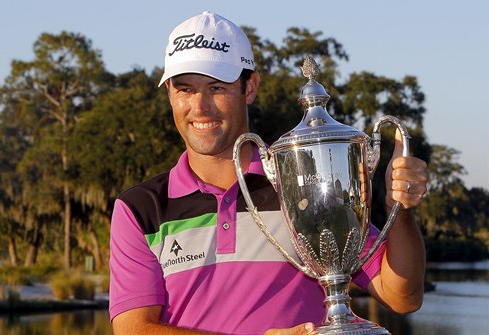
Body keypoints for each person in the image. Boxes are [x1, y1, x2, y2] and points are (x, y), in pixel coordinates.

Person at [109, 11, 428, 335]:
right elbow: (133, 329)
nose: (200, 106)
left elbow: (403, 296)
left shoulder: (305, 182)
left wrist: (399, 210)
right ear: (170, 95)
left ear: (250, 88)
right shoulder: (141, 209)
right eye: (185, 90)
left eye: (217, 87)